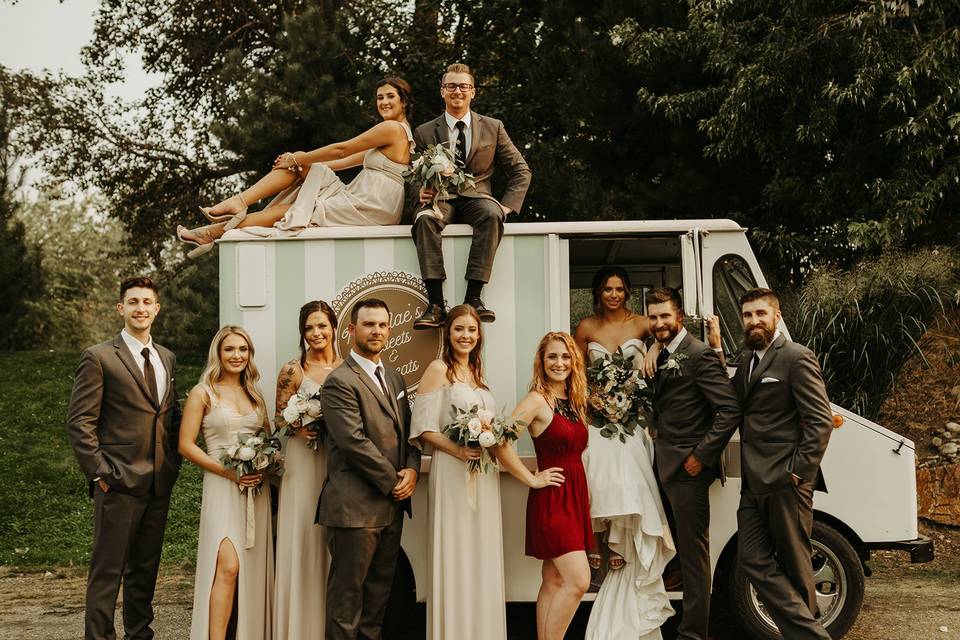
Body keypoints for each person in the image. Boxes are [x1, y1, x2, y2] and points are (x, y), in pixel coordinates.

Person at [410, 305, 562, 640]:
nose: (466, 336)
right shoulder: (438, 370)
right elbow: (422, 428)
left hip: (485, 474)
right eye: (459, 329)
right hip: (453, 473)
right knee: (456, 551)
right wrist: (458, 450)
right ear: (448, 333)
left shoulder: (479, 375)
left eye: (472, 330)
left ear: (479, 336)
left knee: (482, 554)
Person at [177, 77, 415, 257]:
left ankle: (211, 232)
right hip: (362, 197)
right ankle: (239, 202)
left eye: (390, 96)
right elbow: (342, 162)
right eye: (379, 97)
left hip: (371, 206)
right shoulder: (396, 132)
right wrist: (300, 166)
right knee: (300, 170)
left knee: (293, 209)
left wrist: (301, 158)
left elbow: (342, 149)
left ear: (403, 102)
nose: (383, 102)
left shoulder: (392, 129)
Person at [65, 275, 181, 640]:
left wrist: (173, 462)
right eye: (133, 302)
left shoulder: (166, 358)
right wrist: (100, 472)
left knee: (144, 570)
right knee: (107, 571)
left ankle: (139, 635)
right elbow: (80, 421)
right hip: (116, 482)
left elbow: (171, 417)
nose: (141, 308)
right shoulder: (99, 357)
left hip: (158, 482)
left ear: (157, 309)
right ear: (121, 307)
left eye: (147, 302)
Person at [573, 267, 675, 639]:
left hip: (634, 417)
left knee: (630, 463)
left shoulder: (644, 325)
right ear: (598, 293)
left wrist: (654, 348)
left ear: (628, 292)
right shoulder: (586, 327)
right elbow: (575, 373)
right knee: (596, 461)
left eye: (618, 289)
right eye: (606, 289)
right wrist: (591, 401)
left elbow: (672, 336)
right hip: (597, 416)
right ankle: (602, 540)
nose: (613, 294)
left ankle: (627, 540)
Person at [318, 298, 422, 640]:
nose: (376, 330)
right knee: (347, 602)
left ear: (389, 330)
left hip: (391, 508)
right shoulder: (339, 381)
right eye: (368, 324)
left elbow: (409, 431)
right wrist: (393, 481)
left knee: (378, 599)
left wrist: (411, 469)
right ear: (351, 331)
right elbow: (353, 442)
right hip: (354, 508)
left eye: (382, 324)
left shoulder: (394, 378)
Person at [733, 288, 834, 640]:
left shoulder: (796, 357)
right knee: (752, 560)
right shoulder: (746, 360)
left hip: (786, 481)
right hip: (752, 483)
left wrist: (797, 474)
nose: (753, 320)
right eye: (747, 315)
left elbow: (820, 421)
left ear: (777, 316)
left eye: (761, 313)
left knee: (795, 566)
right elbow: (732, 402)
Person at [645, 287, 741, 640]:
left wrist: (700, 457)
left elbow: (729, 410)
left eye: (664, 316)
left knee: (694, 555)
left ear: (679, 317)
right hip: (663, 466)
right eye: (653, 317)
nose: (658, 323)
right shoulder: (662, 351)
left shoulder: (698, 354)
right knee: (680, 553)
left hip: (687, 470)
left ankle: (694, 634)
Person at [411, 63, 531, 328]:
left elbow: (521, 170)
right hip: (440, 198)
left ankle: (473, 300)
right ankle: (435, 304)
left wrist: (507, 206)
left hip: (478, 198)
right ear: (442, 91)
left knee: (492, 214)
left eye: (463, 86)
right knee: (424, 218)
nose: (458, 91)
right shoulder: (424, 131)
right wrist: (419, 190)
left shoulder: (493, 127)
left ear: (473, 92)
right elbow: (412, 173)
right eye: (451, 86)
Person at [178, 326, 274, 640]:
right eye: (230, 349)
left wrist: (263, 462)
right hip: (222, 486)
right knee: (228, 566)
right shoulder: (203, 392)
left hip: (254, 489)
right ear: (218, 353)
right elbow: (186, 445)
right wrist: (227, 472)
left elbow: (268, 439)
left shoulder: (254, 394)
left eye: (243, 350)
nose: (237, 356)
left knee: (250, 570)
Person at [496, 332, 591, 640]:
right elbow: (499, 442)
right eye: (552, 356)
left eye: (565, 356)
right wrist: (531, 478)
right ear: (541, 361)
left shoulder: (574, 400)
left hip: (573, 498)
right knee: (578, 582)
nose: (559, 362)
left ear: (574, 361)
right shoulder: (538, 400)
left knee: (553, 580)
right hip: (552, 499)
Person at [273, 300, 341, 639]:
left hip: (336, 463)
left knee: (331, 539)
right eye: (309, 327)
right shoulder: (293, 370)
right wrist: (297, 427)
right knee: (302, 533)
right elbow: (278, 417)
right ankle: (298, 627)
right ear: (303, 332)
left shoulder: (346, 368)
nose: (316, 333)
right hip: (302, 462)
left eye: (322, 326)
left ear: (334, 327)